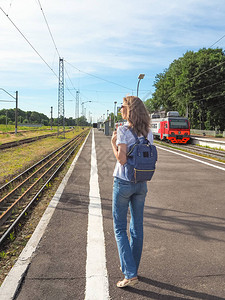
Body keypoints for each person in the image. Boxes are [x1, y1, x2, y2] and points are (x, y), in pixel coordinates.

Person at [111, 96, 153, 288]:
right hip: (141, 183)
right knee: (137, 228)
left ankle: (130, 273)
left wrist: (113, 143)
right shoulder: (148, 133)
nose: (120, 109)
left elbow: (121, 159)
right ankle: (132, 270)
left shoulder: (122, 130)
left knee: (120, 228)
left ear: (129, 110)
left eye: (123, 107)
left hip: (123, 182)